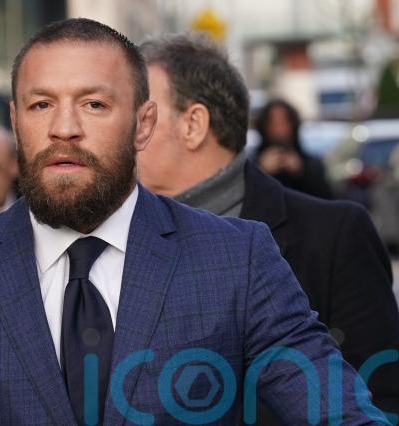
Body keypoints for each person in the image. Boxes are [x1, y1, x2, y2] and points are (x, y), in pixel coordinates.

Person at [0, 19, 388, 425]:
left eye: (94, 104)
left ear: (143, 125)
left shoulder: (237, 259)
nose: (64, 128)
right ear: (15, 121)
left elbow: (337, 412)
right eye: (41, 104)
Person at [137, 33, 399, 419]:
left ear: (193, 124)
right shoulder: (113, 238)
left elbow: (381, 396)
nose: (117, 130)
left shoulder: (332, 236)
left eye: (139, 115)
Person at [255, 98, 334, 199]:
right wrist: (260, 171)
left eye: (284, 123)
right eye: (273, 124)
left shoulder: (311, 164)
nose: (279, 130)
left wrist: (301, 172)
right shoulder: (251, 165)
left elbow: (327, 199)